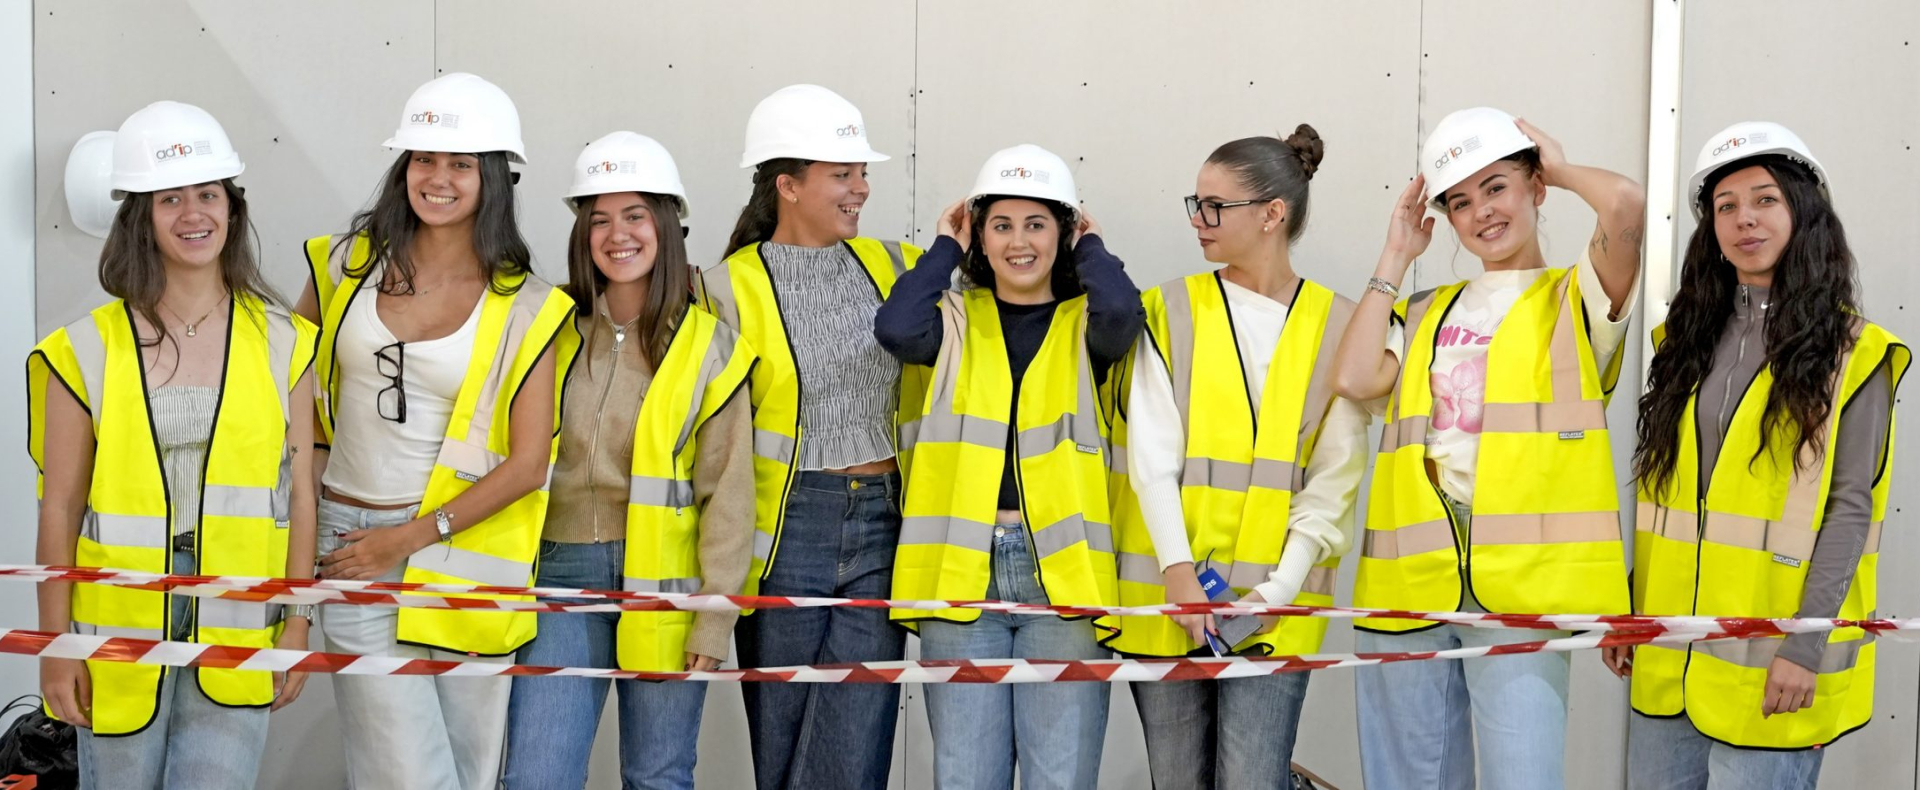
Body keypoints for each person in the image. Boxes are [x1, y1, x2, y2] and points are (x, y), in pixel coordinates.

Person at [1330, 107, 1644, 790]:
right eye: (1461, 202)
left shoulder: (1576, 298)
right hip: (1407, 587)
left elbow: (1625, 205)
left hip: (1522, 591)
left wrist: (1560, 168)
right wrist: (1394, 257)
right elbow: (1353, 378)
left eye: (1497, 187)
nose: (1482, 213)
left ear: (1535, 187)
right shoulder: (1425, 309)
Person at [295, 72, 574, 790]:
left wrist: (411, 537)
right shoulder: (341, 266)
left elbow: (528, 463)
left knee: (471, 772)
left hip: (464, 554)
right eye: (424, 158)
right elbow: (295, 407)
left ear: (493, 178)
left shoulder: (528, 305)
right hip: (353, 546)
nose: (438, 178)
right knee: (403, 775)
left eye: (461, 164)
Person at [31, 100, 318, 789]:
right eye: (170, 199)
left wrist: (298, 621)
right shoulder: (82, 350)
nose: (194, 214)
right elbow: (60, 506)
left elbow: (301, 496)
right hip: (118, 628)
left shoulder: (284, 341)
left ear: (232, 209)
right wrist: (55, 645)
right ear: (141, 218)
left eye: (208, 194)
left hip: (237, 624)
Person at [1614, 122, 1908, 789]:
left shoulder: (1855, 353)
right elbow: (1670, 497)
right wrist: (1632, 608)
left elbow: (1849, 510)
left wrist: (1805, 646)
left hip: (1775, 666)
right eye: (1726, 206)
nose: (1744, 218)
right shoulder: (1682, 341)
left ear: (1803, 213)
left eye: (1765, 199)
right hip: (1668, 654)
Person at [1110, 127, 1369, 789]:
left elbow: (1333, 479)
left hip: (1274, 607)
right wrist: (1179, 575)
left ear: (1272, 213)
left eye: (1215, 206)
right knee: (1177, 781)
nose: (1198, 219)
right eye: (1195, 203)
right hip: (1168, 598)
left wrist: (1278, 591)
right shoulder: (1167, 309)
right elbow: (1150, 457)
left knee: (1251, 780)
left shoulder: (1341, 325)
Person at [876, 144, 1141, 789]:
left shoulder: (1085, 326)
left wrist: (1090, 245)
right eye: (1001, 225)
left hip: (1063, 578)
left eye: (1036, 224)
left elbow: (1122, 314)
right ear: (980, 237)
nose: (1019, 242)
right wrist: (946, 245)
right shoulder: (952, 321)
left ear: (1063, 233)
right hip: (960, 572)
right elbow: (896, 327)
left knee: (1061, 777)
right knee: (966, 775)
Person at [500, 131, 757, 790]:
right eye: (600, 219)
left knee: (657, 775)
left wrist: (715, 617)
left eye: (636, 215)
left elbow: (728, 494)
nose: (618, 235)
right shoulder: (548, 327)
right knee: (537, 777)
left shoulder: (709, 345)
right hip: (559, 572)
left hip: (665, 584)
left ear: (667, 225)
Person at [697, 83, 923, 790]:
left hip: (885, 521)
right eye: (842, 174)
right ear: (788, 185)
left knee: (858, 737)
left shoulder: (900, 265)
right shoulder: (724, 287)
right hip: (786, 529)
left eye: (862, 172)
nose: (861, 188)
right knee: (783, 731)